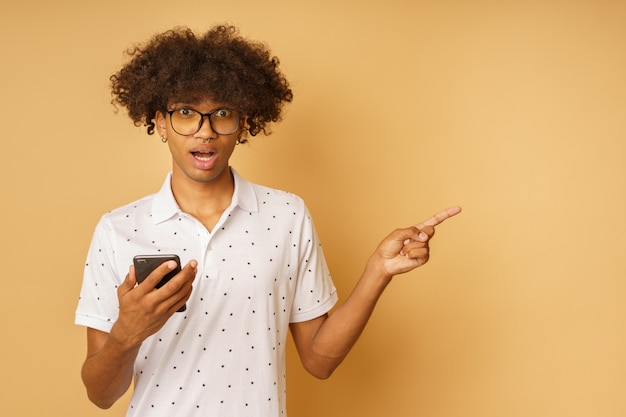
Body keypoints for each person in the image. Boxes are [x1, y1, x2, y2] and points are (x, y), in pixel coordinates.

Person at [75, 25, 461, 417]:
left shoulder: (286, 216)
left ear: (243, 122)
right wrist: (127, 334)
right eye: (187, 113)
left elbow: (319, 361)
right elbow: (101, 395)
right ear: (159, 122)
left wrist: (378, 271)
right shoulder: (118, 229)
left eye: (222, 113)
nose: (205, 131)